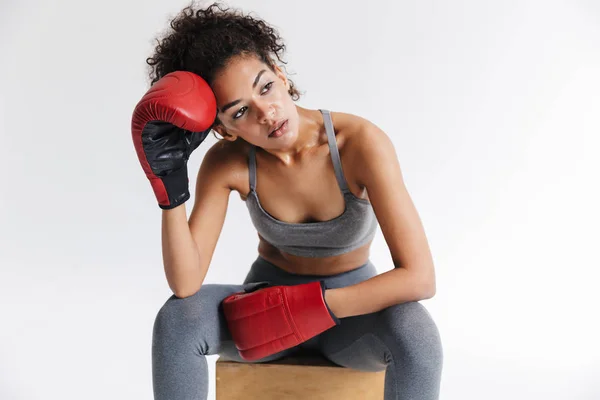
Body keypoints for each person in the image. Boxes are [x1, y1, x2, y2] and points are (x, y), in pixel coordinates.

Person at [131, 2, 443, 399]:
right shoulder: (227, 163)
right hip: (264, 318)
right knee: (177, 319)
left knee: (416, 333)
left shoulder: (359, 143)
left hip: (351, 319)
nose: (266, 112)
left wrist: (311, 307)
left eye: (265, 87)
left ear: (280, 73)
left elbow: (420, 277)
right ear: (223, 129)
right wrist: (169, 186)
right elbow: (186, 282)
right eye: (240, 111)